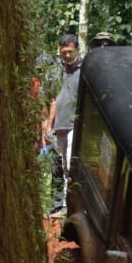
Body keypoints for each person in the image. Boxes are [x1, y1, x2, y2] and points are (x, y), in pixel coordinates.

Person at [48, 34, 83, 216]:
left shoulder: (84, 71)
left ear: (77, 49)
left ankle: (68, 206)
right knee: (58, 166)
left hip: (75, 125)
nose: (67, 56)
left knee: (70, 165)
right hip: (59, 126)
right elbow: (53, 99)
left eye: (70, 52)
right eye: (64, 53)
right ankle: (57, 205)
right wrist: (48, 124)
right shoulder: (58, 71)